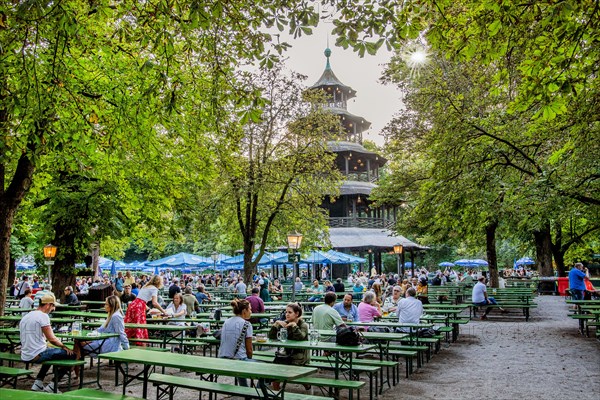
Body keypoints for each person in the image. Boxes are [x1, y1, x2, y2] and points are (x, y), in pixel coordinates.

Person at [19, 293, 76, 393]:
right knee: (72, 355)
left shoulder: (27, 316)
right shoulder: (43, 316)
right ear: (48, 305)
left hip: (25, 353)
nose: (53, 309)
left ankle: (38, 382)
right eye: (53, 306)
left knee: (50, 352)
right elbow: (52, 339)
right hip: (36, 354)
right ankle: (53, 384)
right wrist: (64, 346)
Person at [218, 298, 265, 392]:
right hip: (237, 361)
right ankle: (259, 393)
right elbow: (249, 350)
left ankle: (245, 390)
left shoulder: (226, 322)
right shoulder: (246, 324)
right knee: (267, 369)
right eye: (250, 309)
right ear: (244, 311)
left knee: (240, 357)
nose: (251, 312)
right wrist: (249, 360)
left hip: (222, 359)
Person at [268, 303, 310, 390]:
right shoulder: (285, 323)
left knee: (290, 371)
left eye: (290, 312)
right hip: (287, 354)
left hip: (300, 356)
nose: (286, 314)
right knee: (276, 370)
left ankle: (306, 382)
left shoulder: (303, 325)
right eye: (286, 312)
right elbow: (271, 337)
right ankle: (276, 393)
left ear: (297, 314)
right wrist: (275, 325)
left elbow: (301, 337)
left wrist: (294, 326)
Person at [124, 275, 167, 344]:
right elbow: (155, 303)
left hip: (133, 304)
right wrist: (163, 311)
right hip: (139, 307)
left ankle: (127, 343)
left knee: (131, 326)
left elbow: (140, 299)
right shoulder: (154, 289)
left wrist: (149, 309)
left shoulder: (145, 286)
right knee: (140, 327)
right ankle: (140, 345)